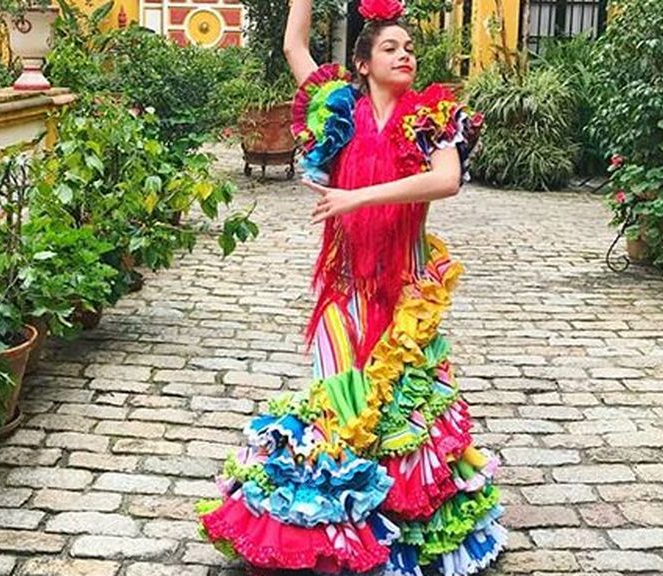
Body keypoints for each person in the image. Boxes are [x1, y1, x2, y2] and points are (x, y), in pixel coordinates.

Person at [196, 0, 505, 574]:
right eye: (390, 48)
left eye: (409, 48)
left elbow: (446, 180)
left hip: (408, 292)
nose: (404, 54)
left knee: (402, 417)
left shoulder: (430, 115)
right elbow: (294, 45)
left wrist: (358, 196)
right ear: (362, 64)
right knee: (341, 402)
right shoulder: (336, 107)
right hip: (344, 286)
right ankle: (339, 535)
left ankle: (402, 538)